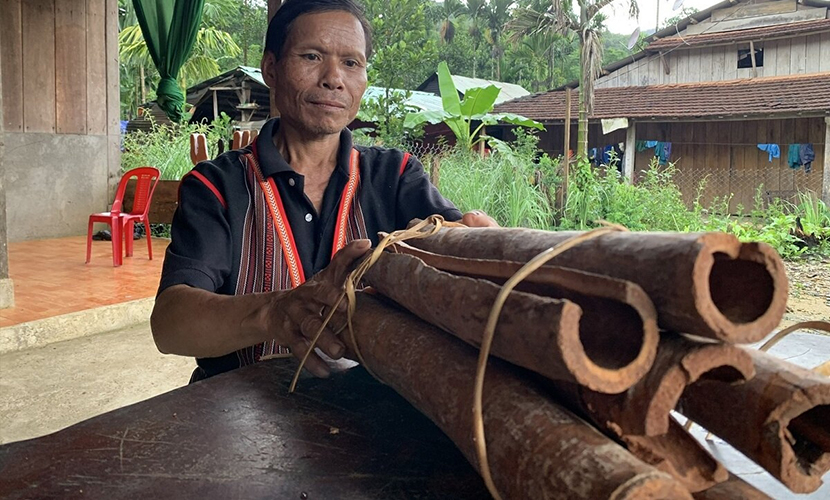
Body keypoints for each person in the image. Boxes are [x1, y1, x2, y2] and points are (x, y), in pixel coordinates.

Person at [151, 0, 497, 383]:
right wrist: (272, 312)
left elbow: (454, 247)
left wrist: (477, 247)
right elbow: (169, 324)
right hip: (239, 414)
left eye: (352, 63)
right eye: (312, 56)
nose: (334, 78)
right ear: (271, 69)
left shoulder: (395, 176)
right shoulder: (217, 187)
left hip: (370, 412)